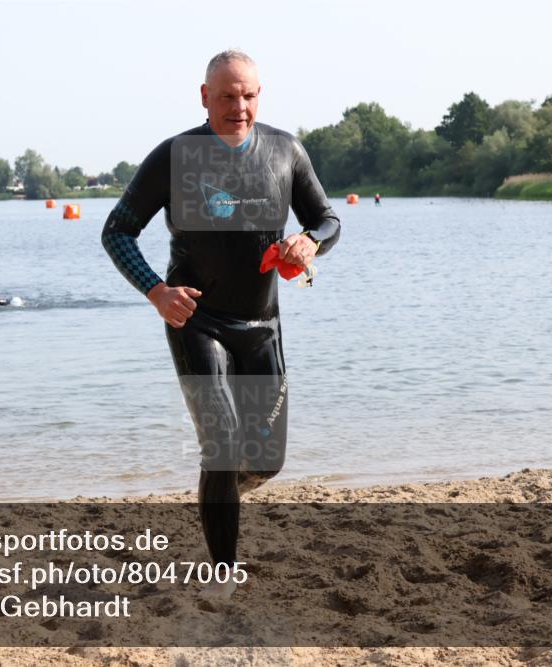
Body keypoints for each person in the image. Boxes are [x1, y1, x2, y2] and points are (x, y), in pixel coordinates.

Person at [101, 50, 339, 600]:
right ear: (204, 96)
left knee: (266, 460)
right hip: (197, 320)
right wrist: (156, 291)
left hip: (262, 325)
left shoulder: (286, 151)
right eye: (227, 95)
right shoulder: (175, 156)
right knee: (223, 445)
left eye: (249, 94)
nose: (239, 106)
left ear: (260, 94)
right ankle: (223, 575)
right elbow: (117, 231)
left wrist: (310, 241)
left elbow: (328, 217)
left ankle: (220, 493)